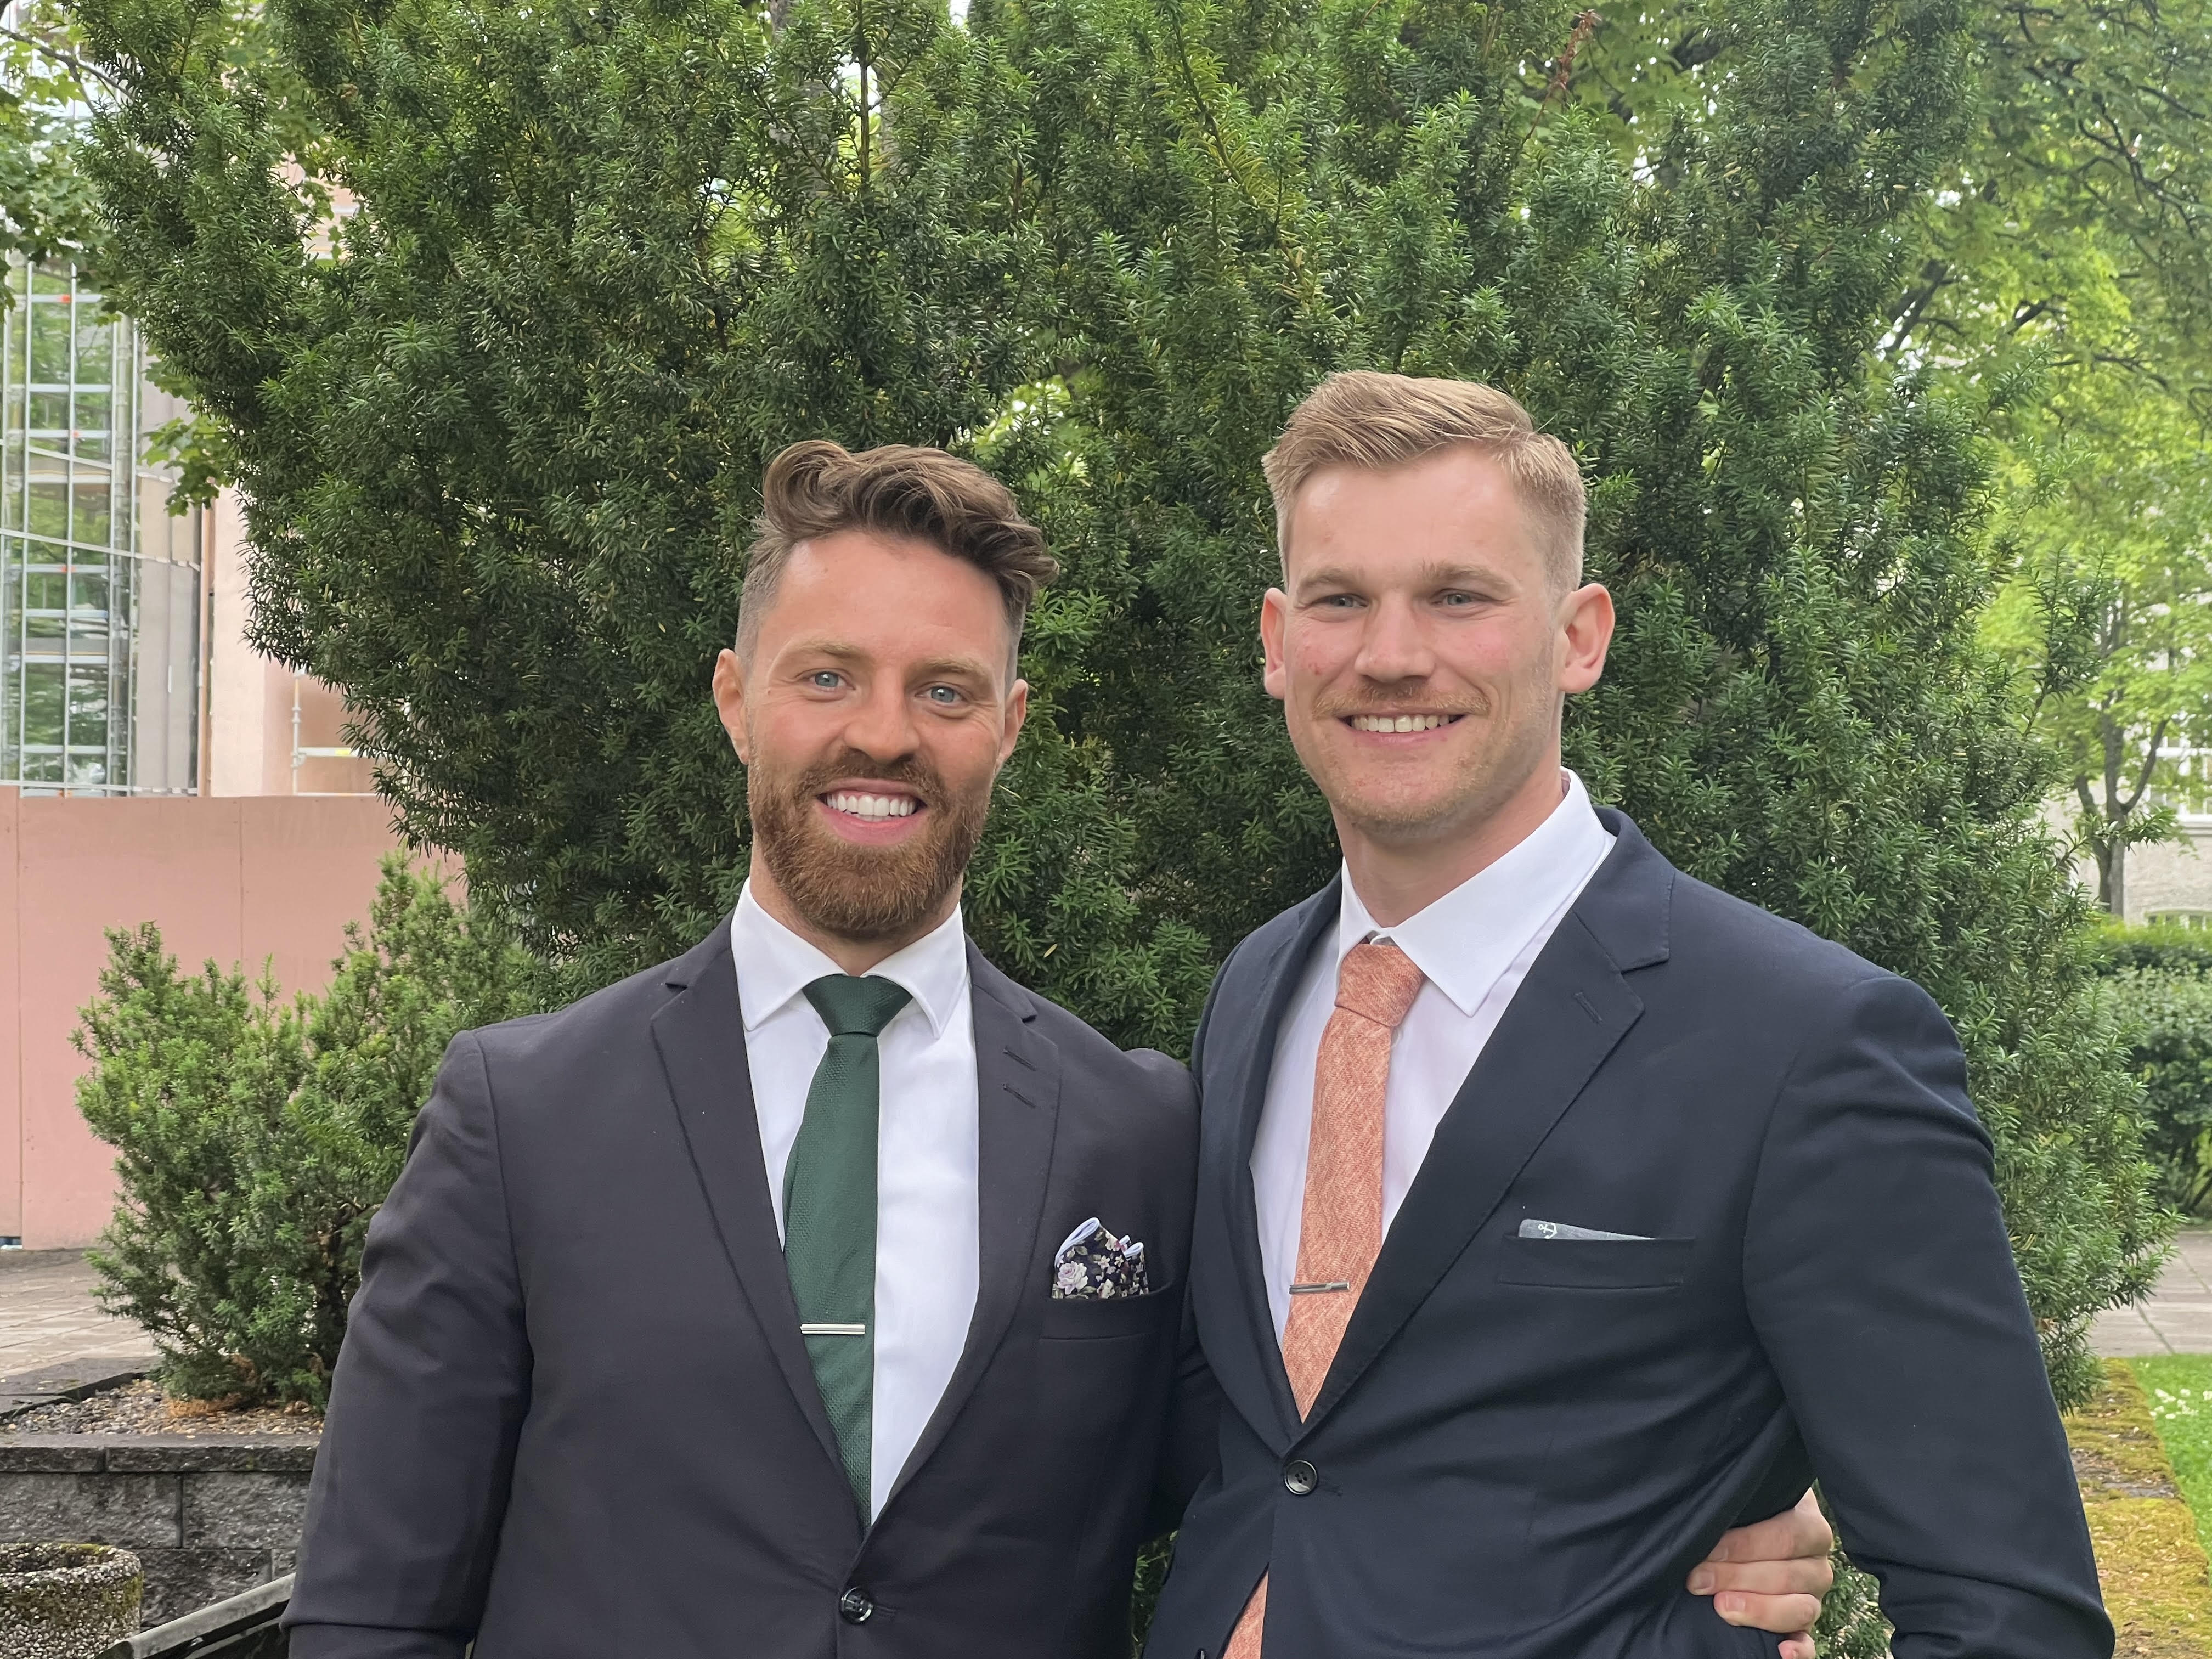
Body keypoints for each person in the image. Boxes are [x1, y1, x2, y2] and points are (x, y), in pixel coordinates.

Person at [284, 438, 1834, 1658]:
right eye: (828, 676)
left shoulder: (1137, 1130)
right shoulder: (520, 1116)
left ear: (1008, 726)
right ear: (737, 701)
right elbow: (373, 1605)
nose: (883, 733)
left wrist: (1700, 1503)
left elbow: (1308, 1462)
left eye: (943, 689)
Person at [1142, 371, 2113, 1659]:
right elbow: (1270, 1448)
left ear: (1579, 637)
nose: (1391, 654)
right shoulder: (1258, 989)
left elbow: (2007, 1609)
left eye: (1459, 596)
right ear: (1277, 642)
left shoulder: (1805, 1044)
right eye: (1340, 600)